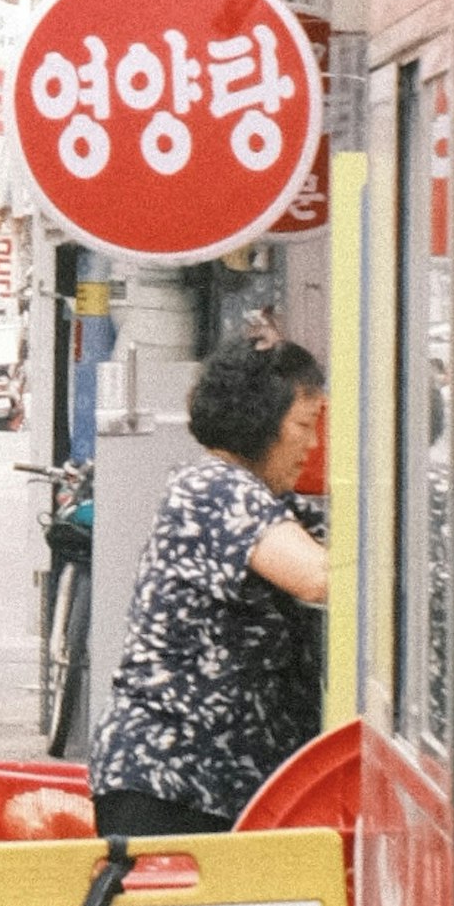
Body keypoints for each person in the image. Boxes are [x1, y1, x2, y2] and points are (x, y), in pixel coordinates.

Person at [89, 334, 330, 833]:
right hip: (172, 783)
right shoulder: (213, 488)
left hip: (220, 787)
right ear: (262, 423)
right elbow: (318, 577)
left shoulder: (266, 500)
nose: (313, 444)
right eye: (305, 425)